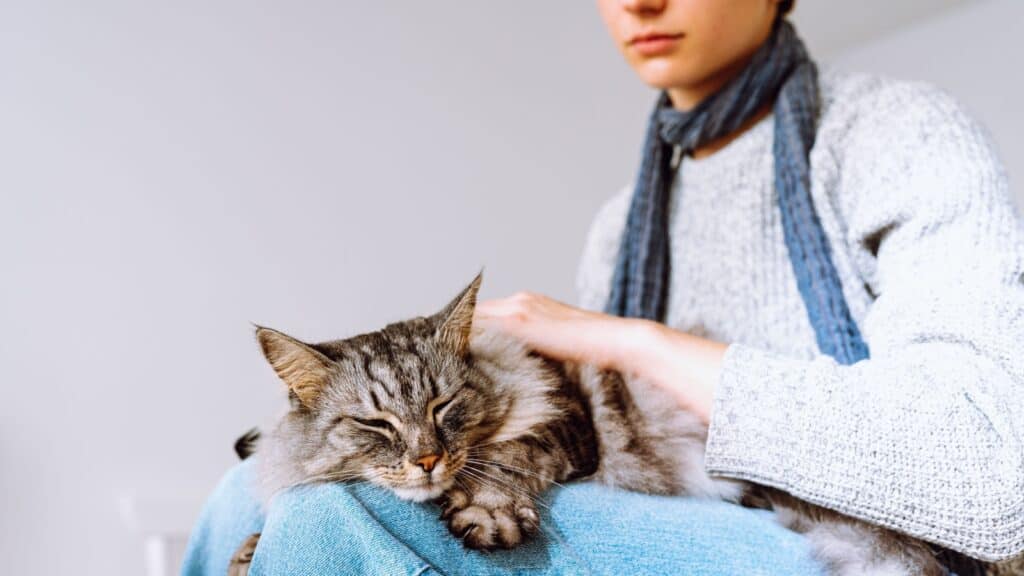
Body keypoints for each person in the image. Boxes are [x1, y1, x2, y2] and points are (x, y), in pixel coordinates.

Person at [182, 0, 1024, 574]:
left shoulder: (899, 133)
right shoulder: (625, 223)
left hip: (863, 543)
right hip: (678, 510)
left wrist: (633, 342)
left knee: (350, 518)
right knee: (247, 489)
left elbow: (995, 476)